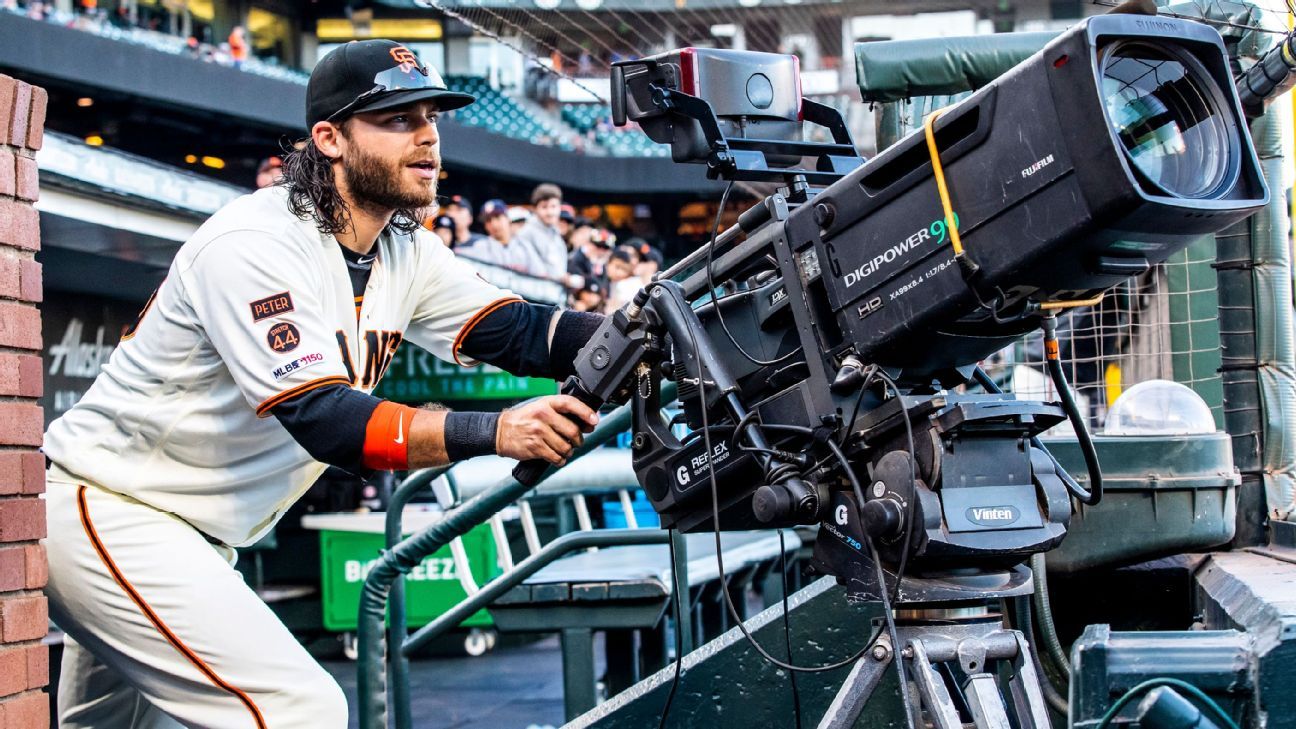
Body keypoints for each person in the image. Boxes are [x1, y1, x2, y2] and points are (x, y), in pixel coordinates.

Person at [42, 40, 604, 729]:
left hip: (188, 533)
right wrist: (493, 429)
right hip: (111, 509)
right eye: (398, 118)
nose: (427, 133)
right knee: (298, 710)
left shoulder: (405, 250)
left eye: (431, 115)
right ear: (330, 138)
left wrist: (652, 324)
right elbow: (327, 420)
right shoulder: (256, 239)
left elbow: (525, 332)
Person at [512, 183, 571, 284]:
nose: (550, 212)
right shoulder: (526, 233)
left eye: (553, 206)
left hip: (555, 295)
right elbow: (534, 271)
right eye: (544, 207)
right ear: (535, 209)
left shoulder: (556, 235)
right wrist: (559, 278)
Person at [457, 199, 527, 271]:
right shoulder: (480, 247)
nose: (494, 224)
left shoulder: (525, 245)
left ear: (507, 218)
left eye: (497, 217)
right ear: (485, 226)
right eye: (488, 220)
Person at [604, 244, 643, 312]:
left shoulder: (628, 285)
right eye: (617, 267)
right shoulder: (600, 277)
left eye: (624, 270)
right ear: (608, 263)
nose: (619, 272)